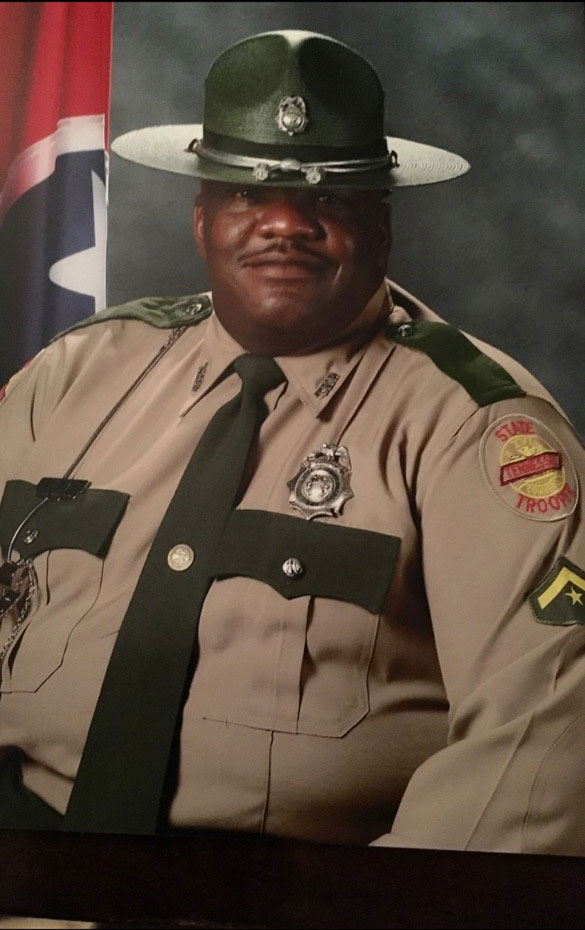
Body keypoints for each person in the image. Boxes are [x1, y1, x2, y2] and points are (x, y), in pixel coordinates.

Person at [0, 28, 584, 855]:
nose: (284, 223)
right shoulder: (77, 374)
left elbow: (545, 743)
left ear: (381, 226)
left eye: (328, 197)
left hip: (298, 901)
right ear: (201, 219)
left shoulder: (475, 427)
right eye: (246, 193)